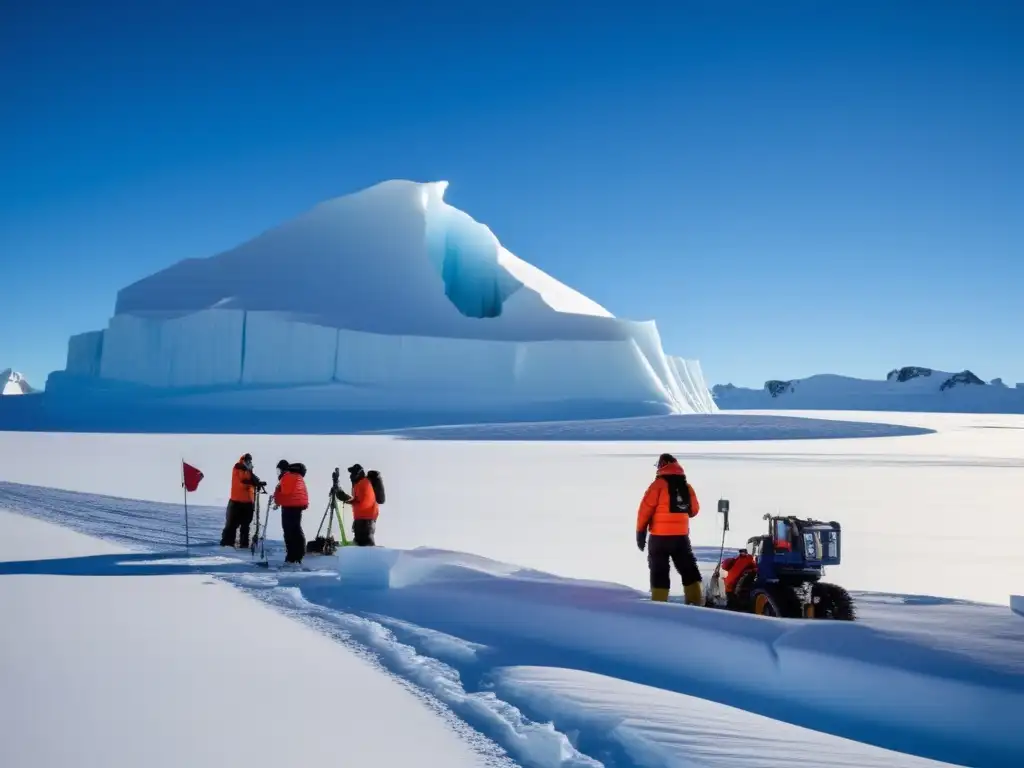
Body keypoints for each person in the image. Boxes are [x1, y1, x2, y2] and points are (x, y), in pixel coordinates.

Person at [636, 453, 702, 604]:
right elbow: (694, 510)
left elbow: (644, 511)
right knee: (689, 570)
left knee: (659, 572)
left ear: (662, 466)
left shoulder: (657, 485)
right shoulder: (686, 487)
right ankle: (696, 603)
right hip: (680, 538)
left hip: (659, 538)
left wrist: (640, 533)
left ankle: (660, 605)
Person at [221, 453, 263, 548]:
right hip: (237, 501)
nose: (249, 462)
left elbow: (250, 481)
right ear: (243, 460)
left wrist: (257, 482)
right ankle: (227, 544)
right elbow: (241, 483)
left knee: (245, 526)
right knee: (231, 524)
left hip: (247, 502)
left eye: (250, 460)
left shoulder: (248, 470)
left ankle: (244, 545)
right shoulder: (238, 468)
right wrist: (253, 483)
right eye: (247, 460)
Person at [273, 459, 309, 564]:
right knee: (296, 529)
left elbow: (284, 494)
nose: (278, 474)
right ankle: (298, 555)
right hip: (297, 506)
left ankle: (292, 557)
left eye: (279, 471)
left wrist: (277, 494)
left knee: (289, 532)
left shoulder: (287, 477)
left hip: (289, 507)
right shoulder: (297, 476)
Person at [335, 463, 378, 546]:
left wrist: (345, 498)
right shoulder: (360, 483)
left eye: (353, 473)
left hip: (365, 521)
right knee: (361, 545)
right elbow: (357, 501)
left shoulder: (363, 484)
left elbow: (362, 502)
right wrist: (345, 498)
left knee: (364, 547)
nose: (351, 475)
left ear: (358, 473)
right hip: (363, 520)